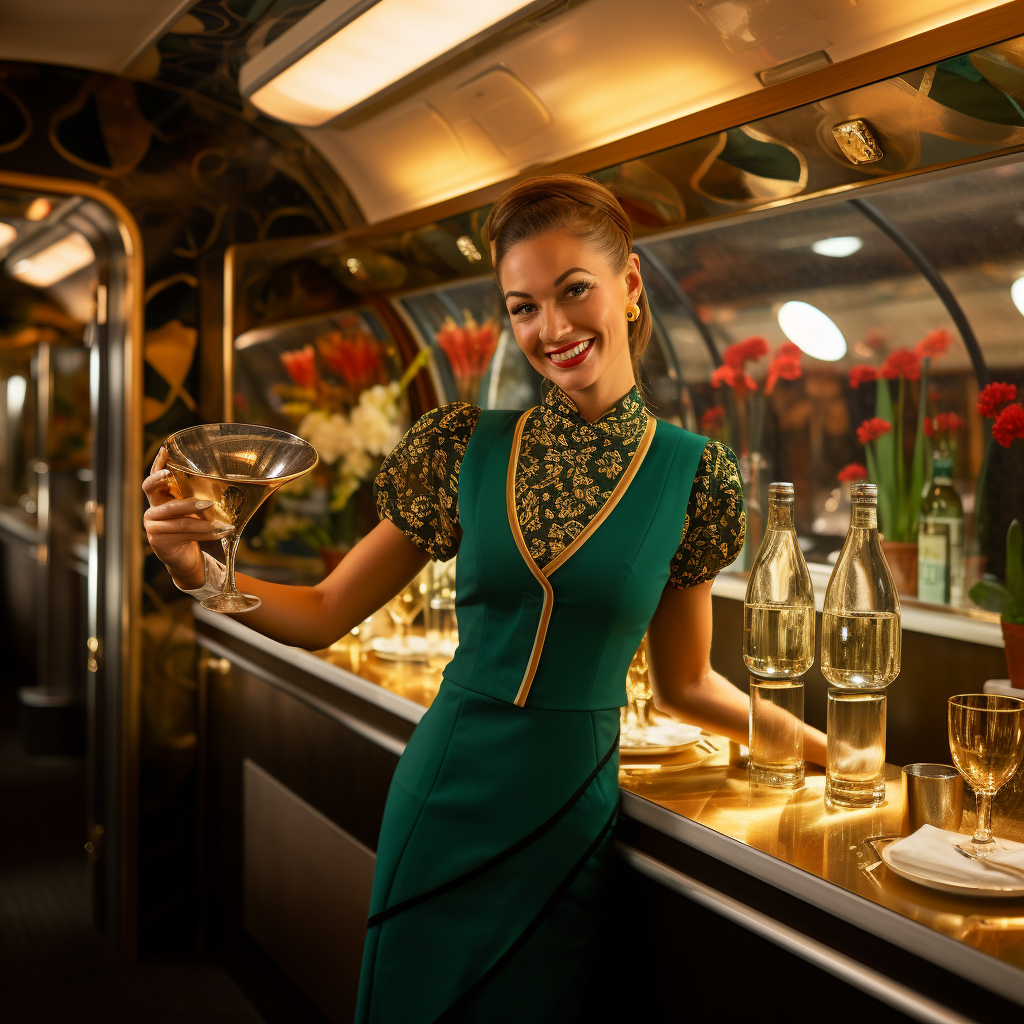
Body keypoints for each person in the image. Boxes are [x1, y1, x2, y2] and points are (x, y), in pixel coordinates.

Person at [143, 173, 826, 1022]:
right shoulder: (460, 445)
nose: (554, 328)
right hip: (444, 796)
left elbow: (688, 684)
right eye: (523, 307)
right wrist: (195, 570)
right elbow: (322, 612)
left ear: (632, 286)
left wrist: (833, 753)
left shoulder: (697, 475)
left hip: (567, 811)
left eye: (574, 291)